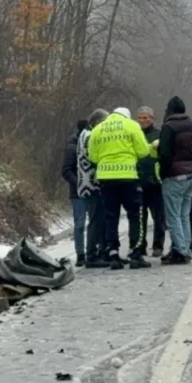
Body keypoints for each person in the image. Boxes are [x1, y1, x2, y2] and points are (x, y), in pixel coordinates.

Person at [88, 107, 152, 269]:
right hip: (128, 176)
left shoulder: (98, 129)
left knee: (111, 217)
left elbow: (93, 156)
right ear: (127, 116)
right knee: (134, 215)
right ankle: (136, 253)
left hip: (106, 178)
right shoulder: (131, 126)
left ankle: (113, 254)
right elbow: (144, 151)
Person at [157, 96, 192, 264]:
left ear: (170, 110)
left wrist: (163, 173)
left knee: (173, 216)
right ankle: (186, 247)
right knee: (184, 214)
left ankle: (181, 251)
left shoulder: (169, 128)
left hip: (174, 175)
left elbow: (165, 154)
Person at [78, 109, 110, 268]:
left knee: (99, 220)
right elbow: (94, 157)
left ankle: (100, 252)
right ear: (98, 122)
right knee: (95, 221)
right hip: (91, 185)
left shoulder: (86, 133)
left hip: (90, 185)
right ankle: (91, 255)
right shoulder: (89, 136)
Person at [136, 106, 166, 257]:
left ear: (152, 119)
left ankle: (158, 246)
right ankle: (140, 245)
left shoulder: (159, 134)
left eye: (145, 117)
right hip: (138, 181)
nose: (143, 120)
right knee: (140, 218)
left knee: (159, 217)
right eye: (140, 118)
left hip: (155, 182)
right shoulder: (134, 134)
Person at [61, 119, 90, 266]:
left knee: (93, 223)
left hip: (92, 190)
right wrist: (80, 182)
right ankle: (80, 254)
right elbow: (66, 170)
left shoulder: (91, 143)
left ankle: (92, 251)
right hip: (77, 192)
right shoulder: (71, 147)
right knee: (80, 224)